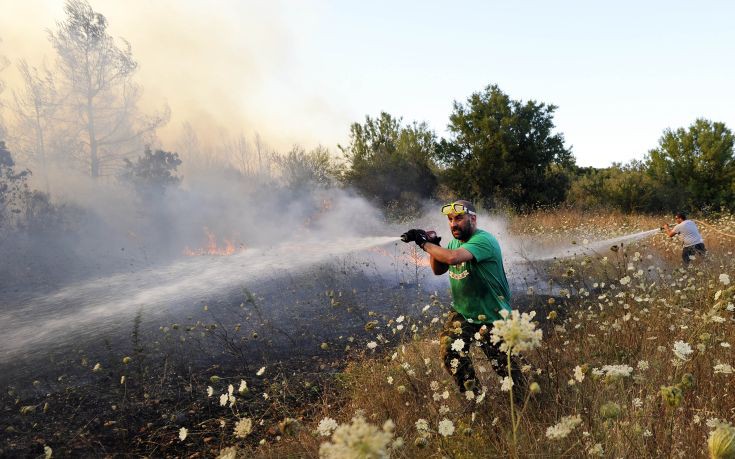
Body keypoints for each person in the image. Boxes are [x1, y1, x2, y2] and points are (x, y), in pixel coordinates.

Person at [403, 200, 522, 397]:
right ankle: (474, 397)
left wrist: (424, 244)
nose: (453, 224)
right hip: (463, 312)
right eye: (450, 220)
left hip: (492, 315)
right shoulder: (453, 243)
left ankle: (526, 400)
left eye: (458, 218)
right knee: (450, 350)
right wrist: (434, 245)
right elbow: (438, 269)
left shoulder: (484, 241)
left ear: (472, 218)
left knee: (507, 370)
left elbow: (451, 258)